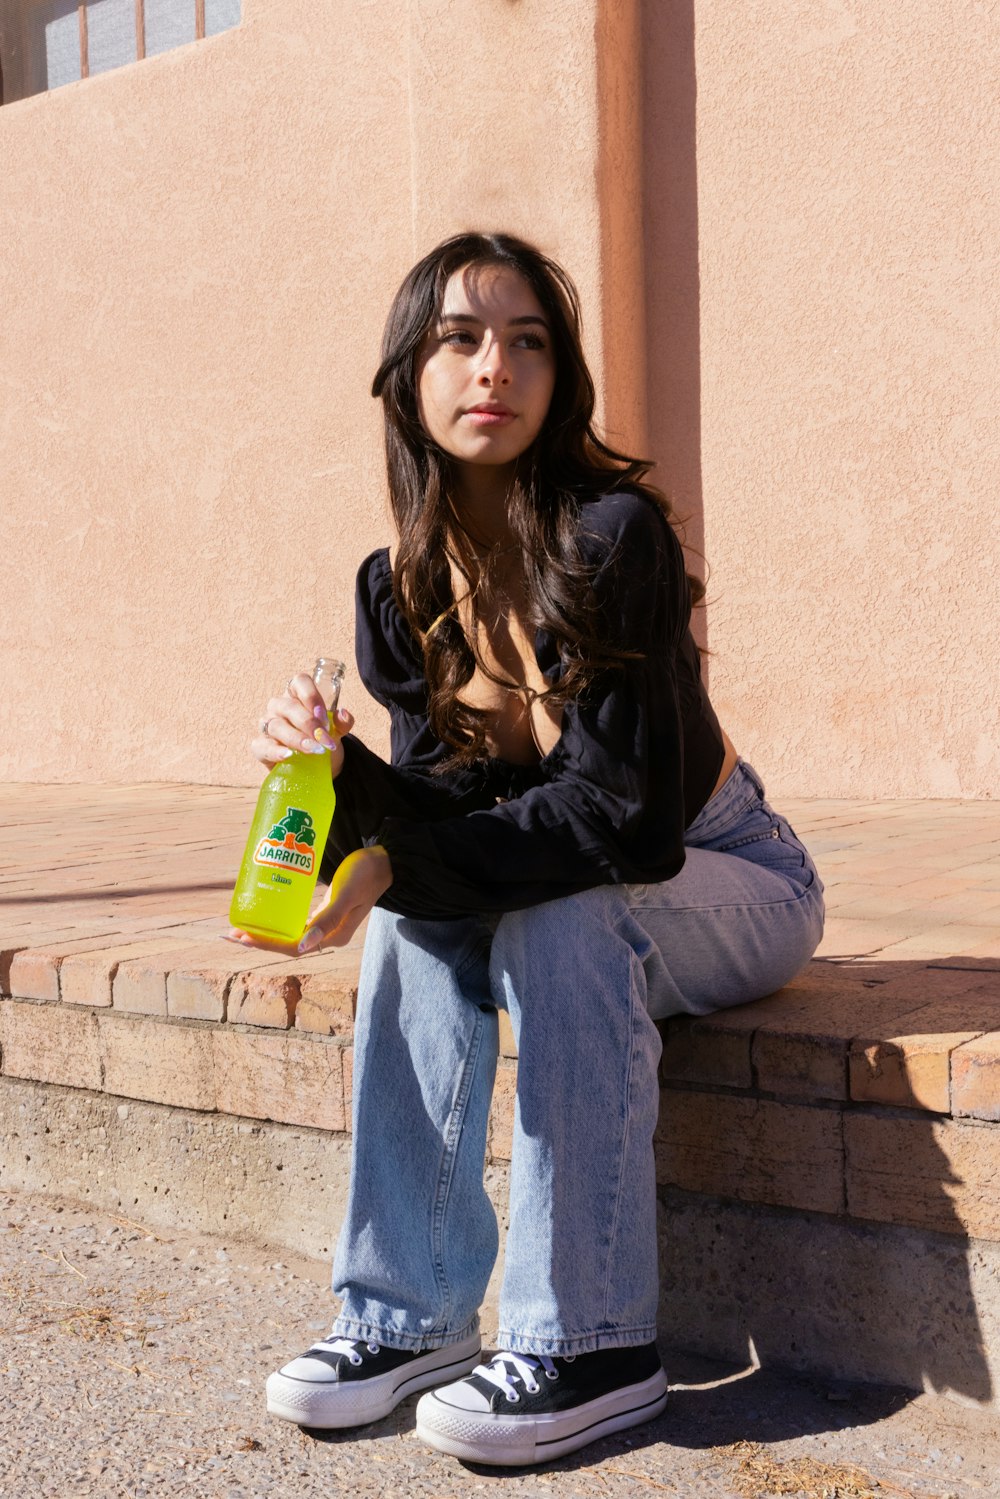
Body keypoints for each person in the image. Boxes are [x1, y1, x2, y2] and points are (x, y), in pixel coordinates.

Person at [228, 231, 825, 1467]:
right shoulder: (396, 585)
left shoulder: (614, 536)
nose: (492, 366)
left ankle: (594, 1342)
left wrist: (401, 857)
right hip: (602, 868)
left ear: (560, 379)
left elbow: (619, 823)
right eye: (458, 338)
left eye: (527, 340)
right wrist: (345, 786)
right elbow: (453, 802)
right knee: (418, 911)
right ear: (408, 375)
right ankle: (406, 1314)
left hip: (731, 873)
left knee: (557, 906)